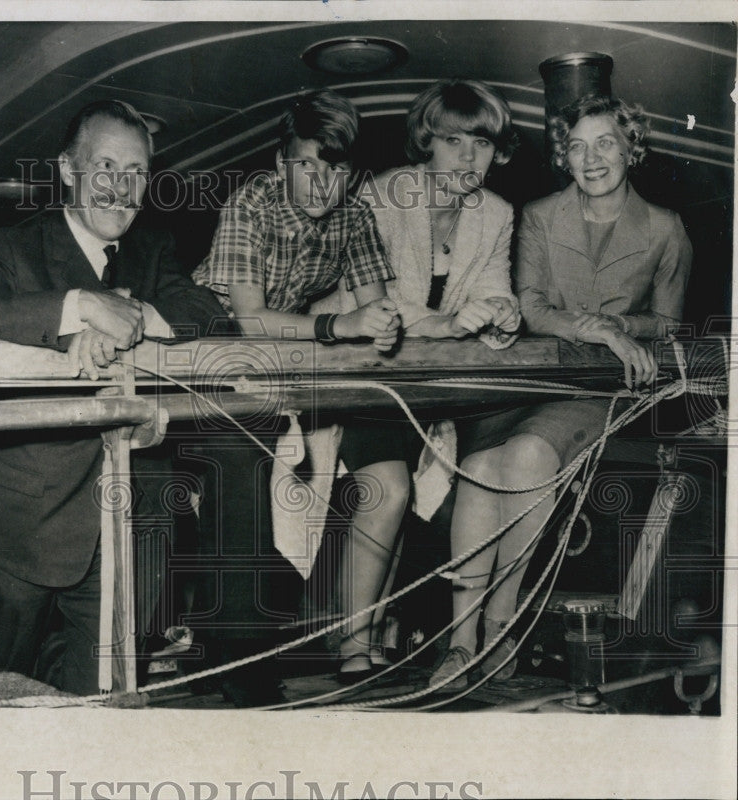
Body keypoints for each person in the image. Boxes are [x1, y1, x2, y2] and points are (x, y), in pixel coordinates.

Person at [0, 99, 225, 696]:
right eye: (106, 168)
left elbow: (209, 314)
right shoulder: (15, 247)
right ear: (69, 171)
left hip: (133, 519)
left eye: (137, 172)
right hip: (25, 523)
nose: (122, 189)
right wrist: (80, 306)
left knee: (102, 698)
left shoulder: (154, 248)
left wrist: (136, 316)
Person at [431, 94, 692, 690]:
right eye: (576, 146)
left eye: (604, 142)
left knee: (521, 459)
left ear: (631, 146)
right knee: (477, 466)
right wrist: (593, 326)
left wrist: (623, 328)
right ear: (563, 156)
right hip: (535, 382)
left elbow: (672, 326)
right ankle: (458, 642)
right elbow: (530, 306)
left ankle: (501, 631)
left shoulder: (665, 228)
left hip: (602, 391)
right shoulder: (542, 216)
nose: (591, 157)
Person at [192, 88, 403, 687]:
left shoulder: (355, 214)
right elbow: (248, 318)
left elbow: (376, 307)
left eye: (334, 170)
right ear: (282, 161)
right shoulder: (249, 204)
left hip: (283, 353)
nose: (320, 183)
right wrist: (343, 327)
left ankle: (333, 634)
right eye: (306, 164)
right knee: (242, 465)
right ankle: (232, 653)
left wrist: (385, 324)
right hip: (204, 335)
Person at [318, 79, 521, 681]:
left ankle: (379, 626)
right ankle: (351, 640)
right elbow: (373, 299)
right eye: (452, 141)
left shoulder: (498, 215)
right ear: (425, 143)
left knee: (434, 501)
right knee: (391, 489)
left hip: (432, 391)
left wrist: (502, 316)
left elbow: (494, 294)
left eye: (481, 144)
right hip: (366, 375)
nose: (467, 157)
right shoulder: (381, 195)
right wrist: (449, 322)